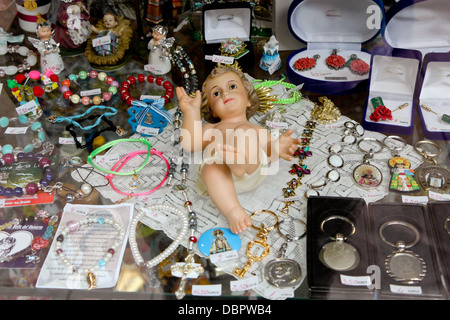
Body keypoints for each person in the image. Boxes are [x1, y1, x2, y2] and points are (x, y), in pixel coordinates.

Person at [176, 66, 301, 234]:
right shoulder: (213, 129)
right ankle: (232, 209)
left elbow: (269, 154)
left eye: (232, 87)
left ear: (249, 99)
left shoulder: (256, 130)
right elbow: (190, 142)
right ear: (212, 109)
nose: (225, 94)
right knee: (210, 167)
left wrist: (278, 148)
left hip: (250, 171)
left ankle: (240, 163)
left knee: (244, 132)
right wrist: (191, 113)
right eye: (216, 93)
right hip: (221, 182)